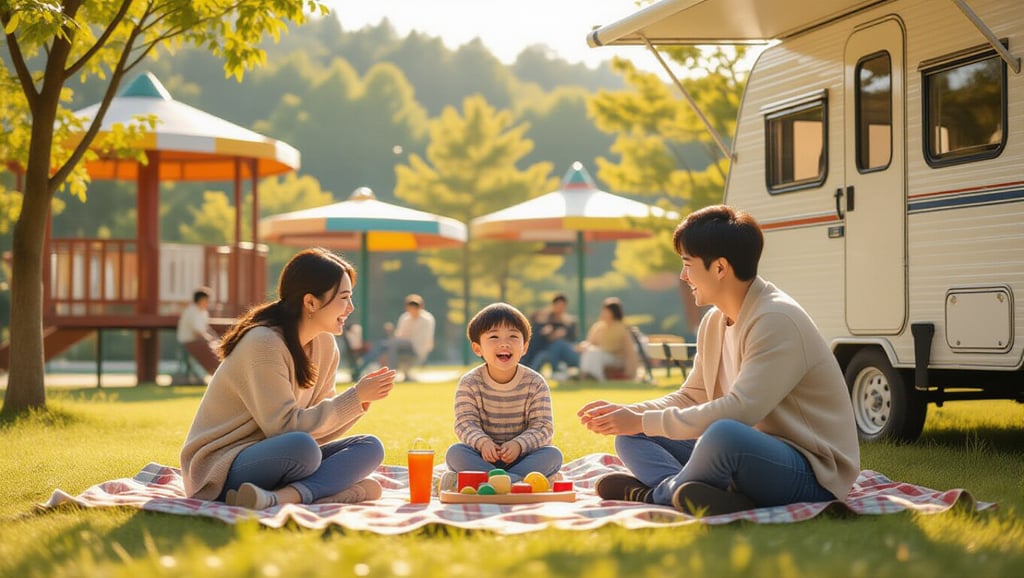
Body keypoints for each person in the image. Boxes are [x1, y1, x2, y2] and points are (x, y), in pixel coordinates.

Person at [578, 205, 860, 515]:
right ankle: (699, 494)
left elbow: (741, 410)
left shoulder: (776, 319)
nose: (683, 276)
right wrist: (630, 415)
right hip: (751, 452)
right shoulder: (714, 321)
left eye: (687, 264)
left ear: (720, 268)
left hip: (812, 473)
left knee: (724, 434)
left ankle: (656, 496)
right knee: (632, 436)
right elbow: (692, 395)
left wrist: (643, 419)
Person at [180, 248, 397, 509]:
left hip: (283, 456)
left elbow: (319, 427)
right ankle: (329, 490)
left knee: (370, 447)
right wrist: (355, 397)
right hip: (223, 467)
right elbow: (283, 428)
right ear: (311, 302)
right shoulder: (264, 343)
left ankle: (283, 496)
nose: (350, 308)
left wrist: (358, 403)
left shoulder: (325, 345)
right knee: (302, 448)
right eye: (344, 298)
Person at [441, 302, 563, 490]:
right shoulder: (469, 383)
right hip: (482, 458)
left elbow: (543, 427)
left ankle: (496, 483)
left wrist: (518, 445)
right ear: (477, 348)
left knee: (553, 455)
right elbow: (465, 423)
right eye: (494, 336)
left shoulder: (535, 383)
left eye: (513, 336)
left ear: (524, 347)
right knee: (455, 453)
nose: (504, 343)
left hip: (524, 458)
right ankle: (515, 483)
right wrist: (482, 443)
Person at [357, 294, 435, 380]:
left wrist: (400, 339)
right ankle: (361, 366)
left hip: (416, 348)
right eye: (410, 307)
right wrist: (392, 332)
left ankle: (390, 372)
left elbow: (420, 340)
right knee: (382, 345)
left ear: (420, 307)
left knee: (391, 344)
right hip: (401, 345)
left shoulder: (427, 319)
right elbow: (400, 335)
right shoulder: (405, 317)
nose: (412, 310)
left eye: (415, 307)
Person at [578, 297, 640, 382]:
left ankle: (598, 378)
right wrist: (584, 346)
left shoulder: (622, 328)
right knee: (590, 351)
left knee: (594, 353)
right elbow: (590, 342)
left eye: (606, 311)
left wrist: (632, 372)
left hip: (617, 359)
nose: (602, 313)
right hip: (599, 355)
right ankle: (584, 376)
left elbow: (630, 351)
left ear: (613, 312)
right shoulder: (598, 326)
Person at [524, 293, 580, 380]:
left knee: (561, 344)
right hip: (547, 350)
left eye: (563, 306)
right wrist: (552, 335)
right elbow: (539, 337)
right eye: (558, 305)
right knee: (554, 346)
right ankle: (556, 371)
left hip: (565, 350)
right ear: (553, 305)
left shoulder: (569, 322)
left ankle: (576, 371)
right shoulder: (546, 320)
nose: (560, 308)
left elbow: (572, 338)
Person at [176, 287, 219, 378]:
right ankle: (213, 371)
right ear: (201, 300)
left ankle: (214, 371)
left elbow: (206, 328)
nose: (208, 303)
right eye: (206, 300)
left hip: (198, 341)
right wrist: (209, 339)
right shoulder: (192, 311)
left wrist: (215, 338)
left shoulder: (203, 312)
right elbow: (197, 330)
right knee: (210, 352)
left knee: (215, 347)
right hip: (189, 341)